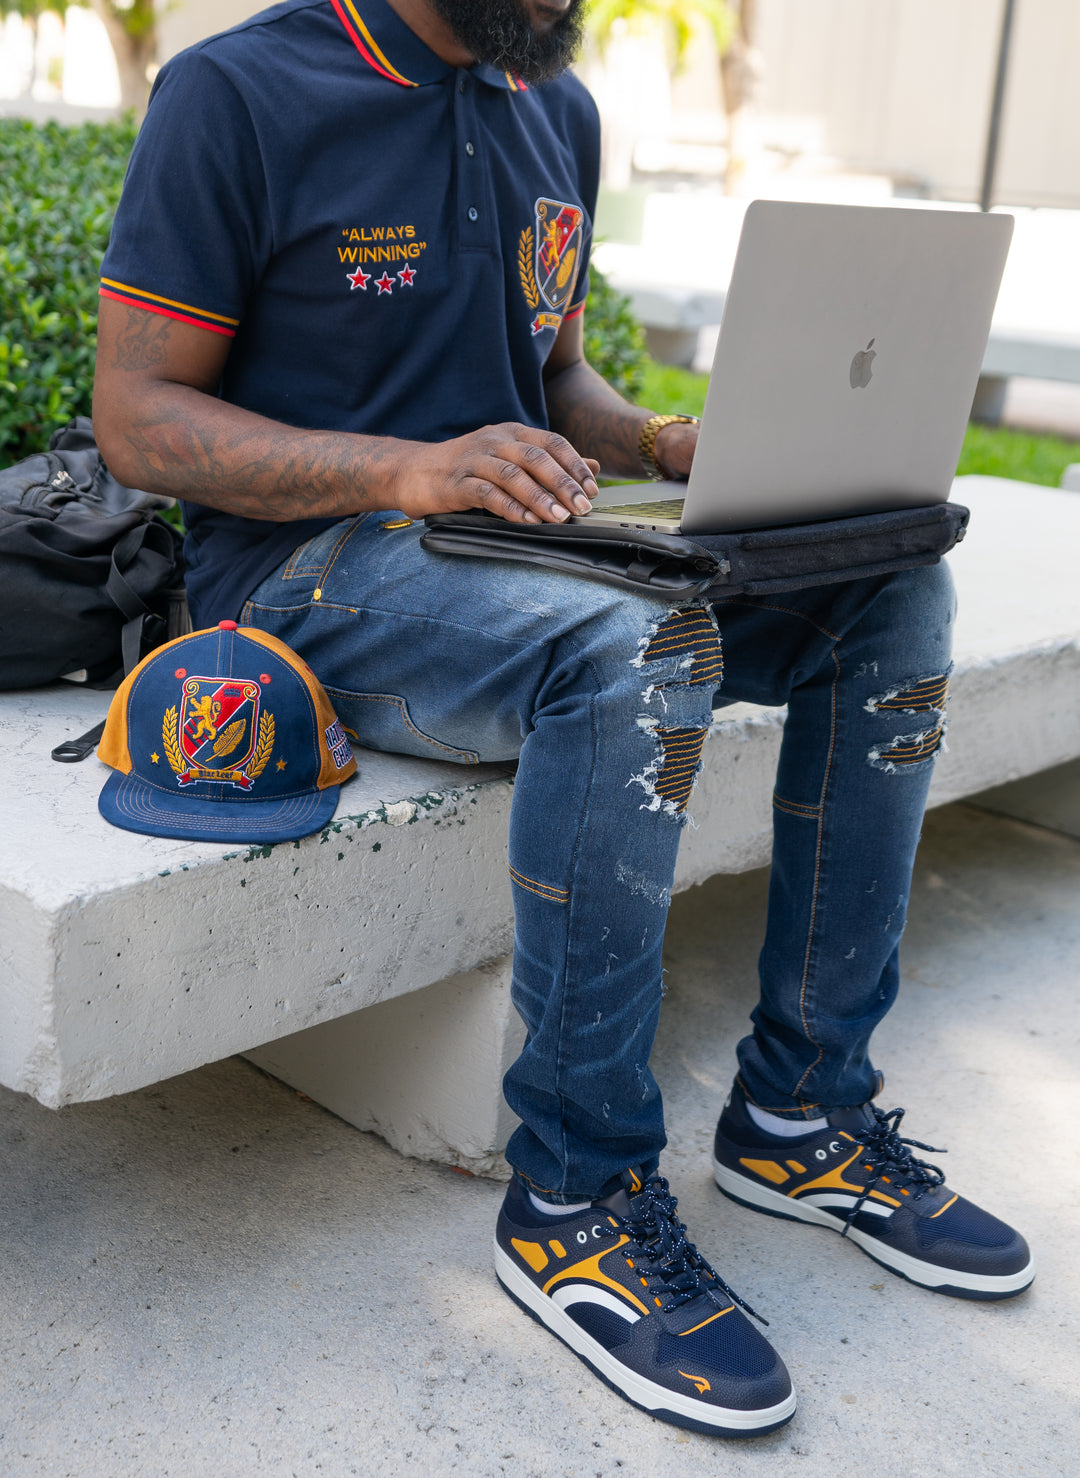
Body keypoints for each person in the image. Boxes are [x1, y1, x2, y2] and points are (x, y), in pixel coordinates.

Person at [92, 0, 1034, 1438]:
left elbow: (555, 377)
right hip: (298, 579)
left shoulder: (557, 109)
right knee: (642, 643)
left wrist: (656, 441)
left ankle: (801, 1109)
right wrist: (407, 471)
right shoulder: (236, 94)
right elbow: (140, 417)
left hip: (516, 549)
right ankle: (575, 1194)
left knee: (889, 590)